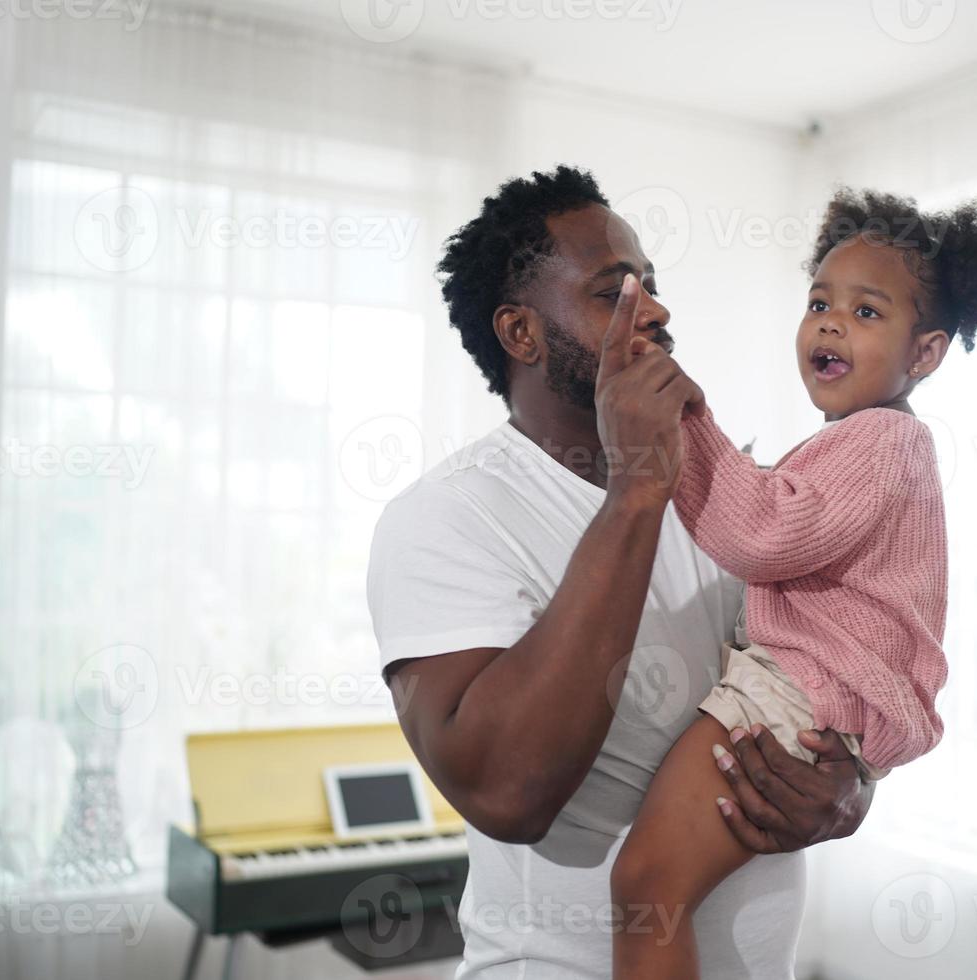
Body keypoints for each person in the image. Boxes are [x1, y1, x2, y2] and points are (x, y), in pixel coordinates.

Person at [367, 165, 873, 979]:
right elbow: (507, 792)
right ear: (521, 334)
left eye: (654, 286)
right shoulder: (448, 518)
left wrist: (849, 793)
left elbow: (819, 673)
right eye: (615, 291)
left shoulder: (733, 497)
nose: (658, 309)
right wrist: (638, 488)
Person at [609, 187, 977, 978]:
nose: (830, 320)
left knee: (647, 887)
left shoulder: (882, 440)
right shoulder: (863, 444)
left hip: (793, 696)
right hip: (806, 698)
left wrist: (677, 406)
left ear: (925, 355)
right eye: (819, 301)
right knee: (654, 889)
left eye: (867, 311)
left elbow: (760, 532)